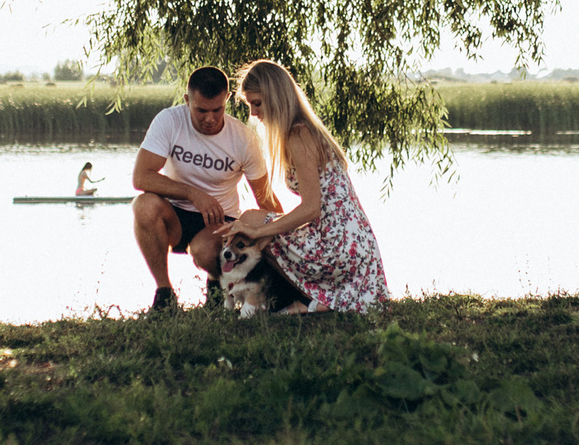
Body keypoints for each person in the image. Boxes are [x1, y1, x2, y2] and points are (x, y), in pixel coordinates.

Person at [217, 59, 390, 313]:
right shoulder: (304, 130)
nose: (253, 113)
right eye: (249, 105)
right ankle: (274, 295)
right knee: (255, 224)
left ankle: (307, 300)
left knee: (252, 220)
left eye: (257, 103)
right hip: (351, 241)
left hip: (338, 247)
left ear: (275, 98)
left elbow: (311, 209)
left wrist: (258, 231)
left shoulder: (299, 135)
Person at [132, 66, 281, 311]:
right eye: (201, 110)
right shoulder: (169, 121)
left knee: (203, 250)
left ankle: (217, 288)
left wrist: (293, 238)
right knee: (143, 205)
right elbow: (141, 177)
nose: (210, 119)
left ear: (227, 99)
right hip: (176, 217)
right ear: (187, 100)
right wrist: (193, 194)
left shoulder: (243, 139)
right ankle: (164, 295)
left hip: (220, 222)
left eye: (217, 110)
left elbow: (265, 199)